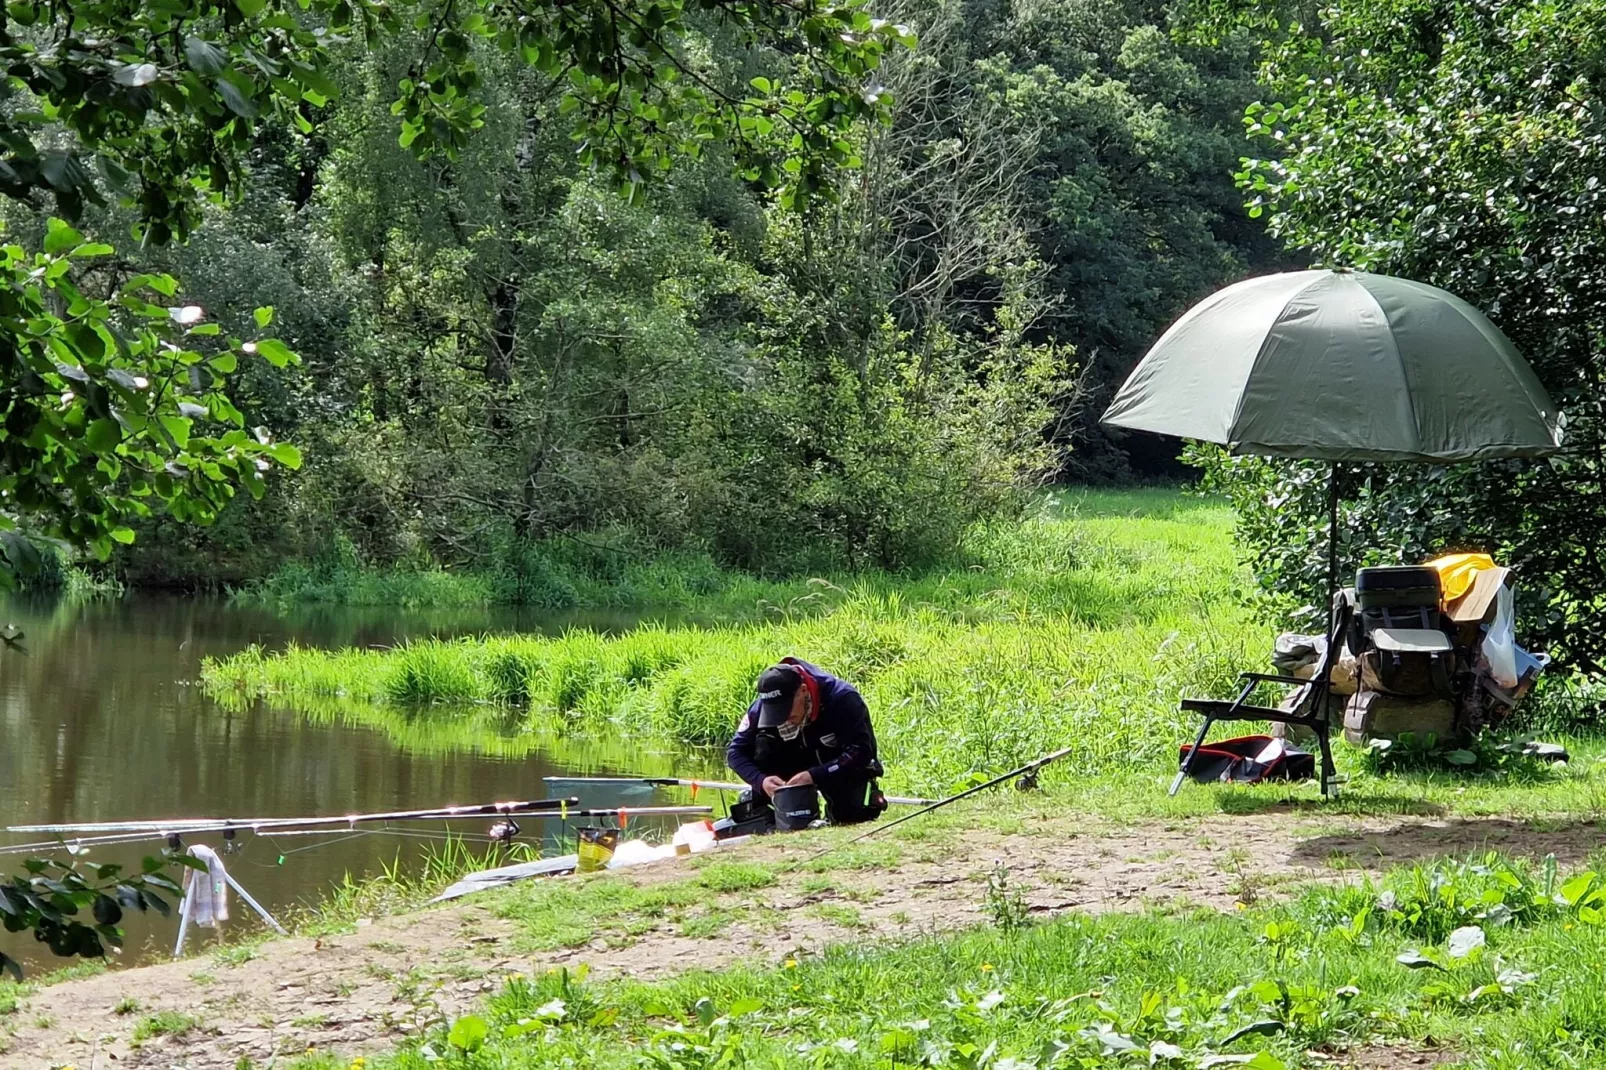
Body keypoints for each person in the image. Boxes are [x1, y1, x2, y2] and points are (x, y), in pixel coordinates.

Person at [726, 657, 887, 825]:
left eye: (786, 709)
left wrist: (814, 775)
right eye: (776, 713)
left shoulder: (843, 698)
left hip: (834, 766)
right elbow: (735, 753)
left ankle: (841, 811)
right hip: (789, 762)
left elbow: (861, 751)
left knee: (854, 813)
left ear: (803, 691)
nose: (784, 718)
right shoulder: (759, 708)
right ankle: (773, 813)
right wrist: (761, 781)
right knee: (763, 743)